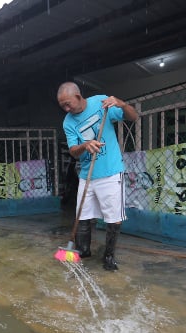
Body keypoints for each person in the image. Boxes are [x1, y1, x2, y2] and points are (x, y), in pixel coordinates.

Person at [56, 82, 138, 271]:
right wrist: (85, 146)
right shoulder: (68, 121)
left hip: (110, 172)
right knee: (82, 215)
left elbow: (133, 117)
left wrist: (122, 104)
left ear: (78, 96)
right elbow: (73, 151)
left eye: (68, 104)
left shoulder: (101, 102)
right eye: (62, 106)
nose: (66, 109)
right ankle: (83, 251)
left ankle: (109, 256)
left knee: (112, 216)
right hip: (87, 174)